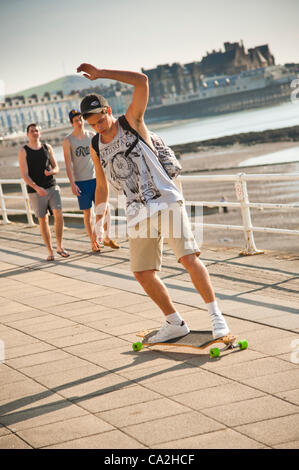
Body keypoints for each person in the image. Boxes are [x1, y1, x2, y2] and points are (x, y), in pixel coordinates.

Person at [76, 63, 230, 343]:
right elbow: (101, 186)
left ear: (107, 111)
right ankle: (174, 322)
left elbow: (142, 81)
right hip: (137, 212)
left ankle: (216, 315)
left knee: (188, 258)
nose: (97, 127)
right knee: (142, 272)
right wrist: (99, 221)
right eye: (92, 125)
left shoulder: (131, 121)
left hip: (165, 200)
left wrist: (101, 74)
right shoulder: (95, 145)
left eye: (99, 120)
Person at [62, 109, 119, 252]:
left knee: (105, 208)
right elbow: (68, 164)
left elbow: (102, 155)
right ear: (71, 123)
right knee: (87, 213)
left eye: (81, 119)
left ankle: (107, 237)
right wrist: (72, 183)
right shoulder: (68, 141)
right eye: (76, 120)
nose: (79, 122)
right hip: (81, 181)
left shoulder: (92, 135)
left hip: (96, 178)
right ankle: (93, 242)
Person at [18, 123, 69, 261]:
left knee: (58, 214)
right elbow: (25, 175)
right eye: (32, 131)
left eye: (37, 130)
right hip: (35, 191)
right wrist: (37, 188)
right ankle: (50, 251)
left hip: (51, 186)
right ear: (27, 134)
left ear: (40, 133)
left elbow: (57, 167)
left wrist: (52, 171)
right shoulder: (24, 151)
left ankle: (60, 246)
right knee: (43, 220)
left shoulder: (47, 147)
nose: (35, 133)